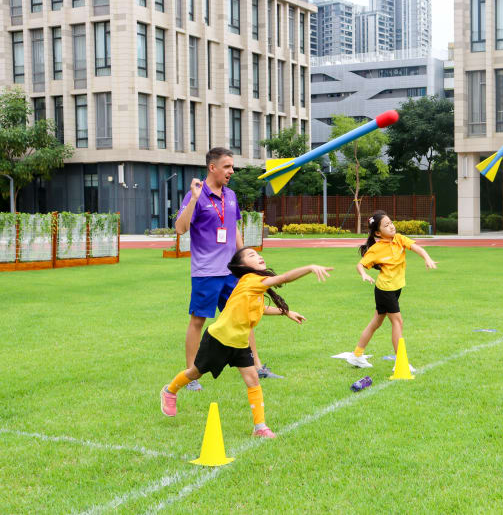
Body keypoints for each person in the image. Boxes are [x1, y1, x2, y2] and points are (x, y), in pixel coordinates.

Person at [160, 247, 333, 437]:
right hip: (218, 339)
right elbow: (283, 278)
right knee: (195, 373)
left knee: (253, 380)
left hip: (240, 343)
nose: (259, 256)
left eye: (258, 254)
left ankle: (260, 427)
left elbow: (261, 308)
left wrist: (286, 312)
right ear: (243, 266)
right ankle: (170, 391)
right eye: (252, 255)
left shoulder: (255, 286)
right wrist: (309, 267)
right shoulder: (250, 280)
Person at [175, 147, 279, 391]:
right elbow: (180, 228)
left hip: (232, 272)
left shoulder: (230, 195)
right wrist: (194, 198)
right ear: (212, 168)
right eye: (227, 167)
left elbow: (233, 231)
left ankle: (257, 366)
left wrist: (246, 264)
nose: (231, 171)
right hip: (206, 272)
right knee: (198, 320)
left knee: (244, 317)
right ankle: (190, 376)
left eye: (232, 166)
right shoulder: (196, 194)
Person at [342, 210, 436, 370]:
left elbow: (417, 248)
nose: (391, 226)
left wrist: (427, 258)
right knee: (398, 321)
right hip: (385, 290)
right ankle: (400, 362)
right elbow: (360, 265)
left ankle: (356, 355)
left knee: (376, 322)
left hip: (396, 288)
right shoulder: (376, 249)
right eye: (386, 225)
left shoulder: (399, 239)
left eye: (391, 223)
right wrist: (364, 274)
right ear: (378, 233)